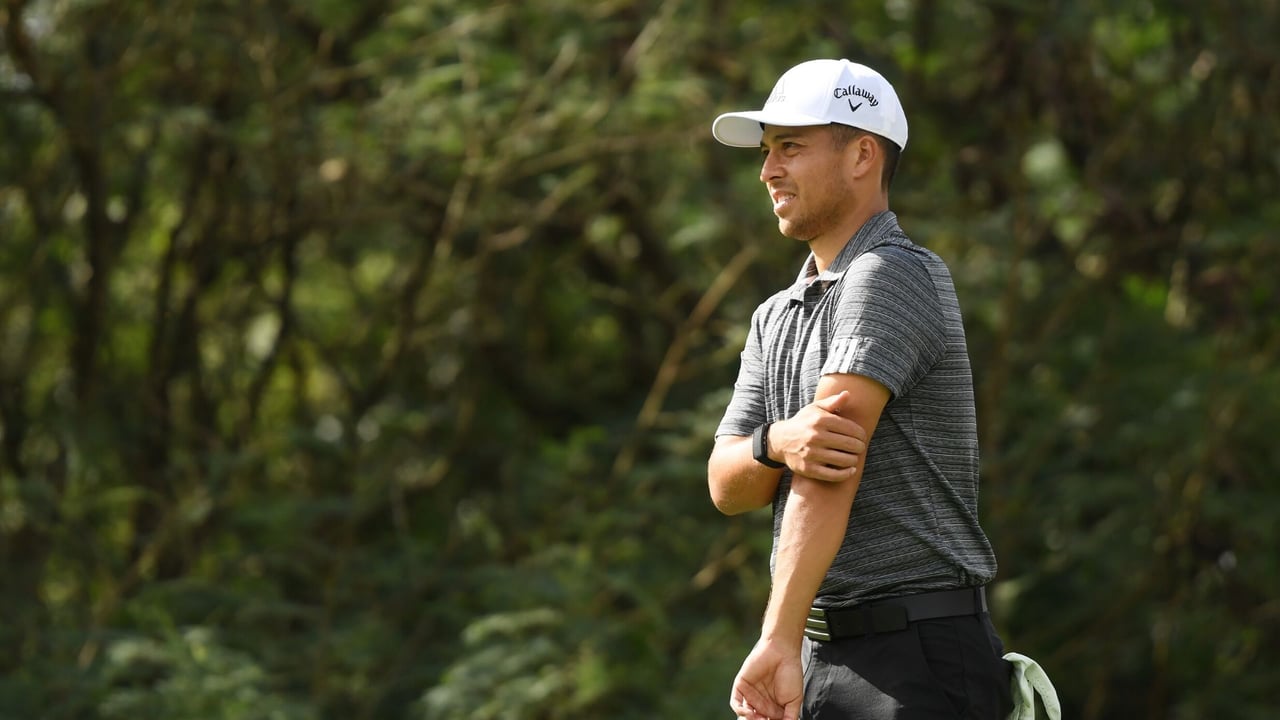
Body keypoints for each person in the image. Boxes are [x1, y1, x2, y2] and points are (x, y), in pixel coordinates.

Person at [707, 59, 1013, 720]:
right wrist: (777, 441)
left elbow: (828, 474)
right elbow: (727, 483)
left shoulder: (890, 274)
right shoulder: (775, 314)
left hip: (918, 659)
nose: (767, 171)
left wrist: (776, 638)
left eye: (790, 146)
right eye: (765, 152)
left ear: (862, 156)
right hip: (827, 656)